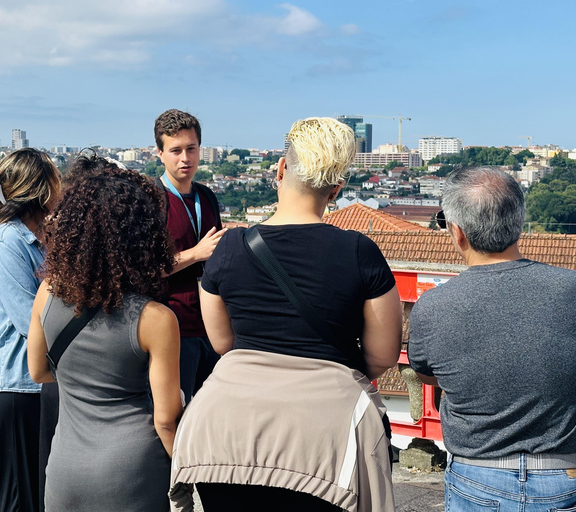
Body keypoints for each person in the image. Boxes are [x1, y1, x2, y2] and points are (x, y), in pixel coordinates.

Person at [170, 117, 403, 512]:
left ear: (280, 170)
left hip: (223, 433)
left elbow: (223, 343)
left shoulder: (229, 249)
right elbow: (382, 356)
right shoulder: (359, 252)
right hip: (322, 439)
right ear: (336, 189)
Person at [408, 166, 576, 512]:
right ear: (520, 224)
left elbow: (426, 375)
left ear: (458, 232)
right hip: (562, 474)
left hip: (476, 475)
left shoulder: (433, 306)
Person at [26, 156, 182, 512]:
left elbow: (38, 371)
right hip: (133, 471)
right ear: (145, 235)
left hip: (66, 468)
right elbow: (165, 419)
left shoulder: (47, 292)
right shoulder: (155, 319)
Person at [0, 148, 61, 512]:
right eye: (55, 180)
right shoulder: (7, 244)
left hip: (37, 386)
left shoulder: (34, 237)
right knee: (20, 499)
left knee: (37, 495)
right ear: (40, 190)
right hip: (19, 386)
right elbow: (32, 322)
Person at [154, 108, 227, 405]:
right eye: (175, 150)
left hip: (211, 328)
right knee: (176, 415)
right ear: (159, 153)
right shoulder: (152, 200)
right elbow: (141, 269)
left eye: (191, 148)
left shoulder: (207, 196)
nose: (185, 158)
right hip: (171, 330)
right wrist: (195, 255)